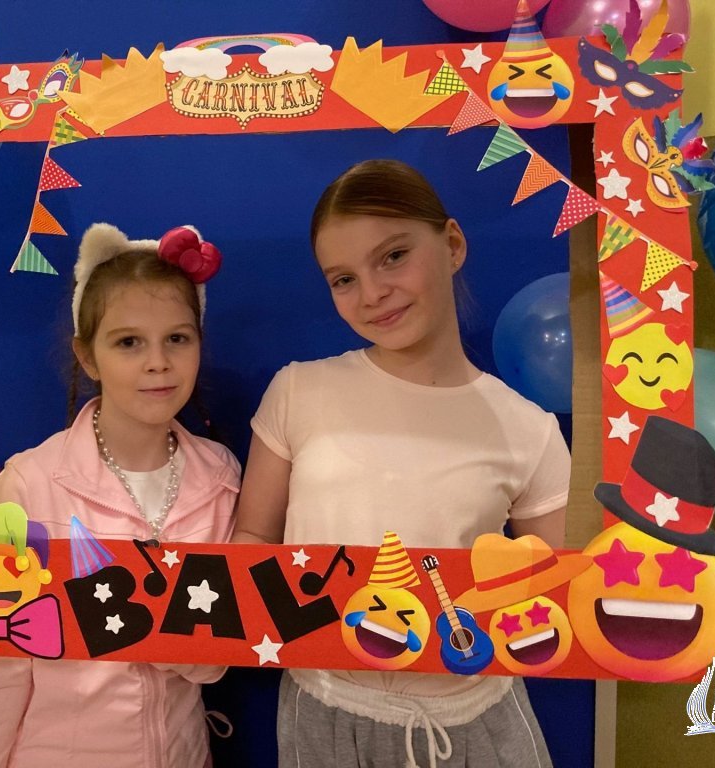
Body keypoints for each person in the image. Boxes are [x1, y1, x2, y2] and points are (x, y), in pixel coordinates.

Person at [233, 159, 569, 768]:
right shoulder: (298, 392)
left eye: (392, 256)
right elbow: (254, 537)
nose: (372, 294)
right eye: (343, 278)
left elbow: (551, 596)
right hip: (323, 706)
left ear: (452, 244)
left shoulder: (529, 429)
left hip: (472, 715)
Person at [0, 222, 240, 768]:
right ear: (87, 357)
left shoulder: (220, 476)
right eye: (129, 342)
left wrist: (160, 627)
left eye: (177, 338)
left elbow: (216, 659)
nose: (158, 362)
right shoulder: (30, 485)